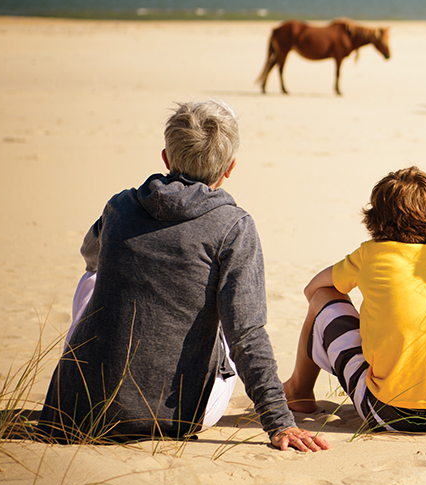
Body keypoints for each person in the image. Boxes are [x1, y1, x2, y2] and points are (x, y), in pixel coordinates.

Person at [39, 100, 327, 451]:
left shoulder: (120, 205)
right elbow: (247, 334)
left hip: (75, 409)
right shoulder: (233, 225)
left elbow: (89, 254)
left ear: (165, 158)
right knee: (227, 310)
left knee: (95, 277)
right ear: (230, 168)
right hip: (171, 417)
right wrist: (279, 423)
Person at [282, 166, 426, 432]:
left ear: (375, 218)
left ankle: (299, 391)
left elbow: (313, 290)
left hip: (388, 413)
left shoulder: (372, 255)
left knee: (323, 298)